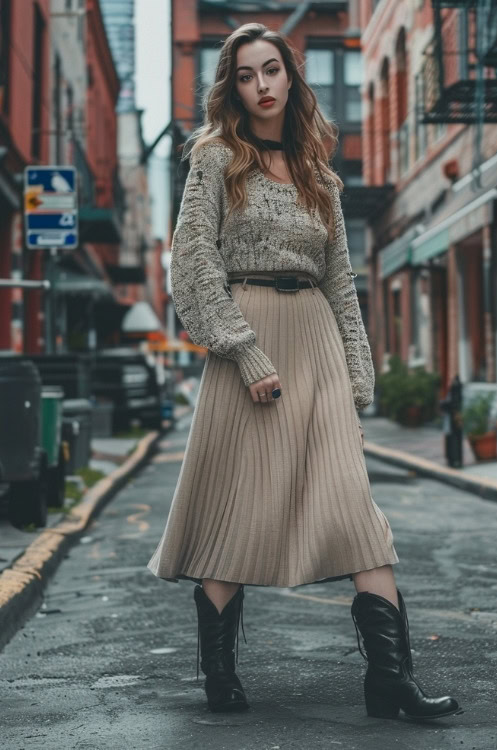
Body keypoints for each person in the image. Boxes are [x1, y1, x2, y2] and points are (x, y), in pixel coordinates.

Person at [147, 22, 462, 721]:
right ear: (233, 86)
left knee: (354, 508)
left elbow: (341, 280)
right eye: (247, 74)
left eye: (273, 70)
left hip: (316, 339)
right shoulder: (215, 157)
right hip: (248, 341)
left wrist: (357, 371)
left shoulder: (318, 168)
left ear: (291, 76)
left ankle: (390, 683)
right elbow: (193, 262)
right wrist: (244, 349)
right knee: (240, 511)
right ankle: (220, 672)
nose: (262, 85)